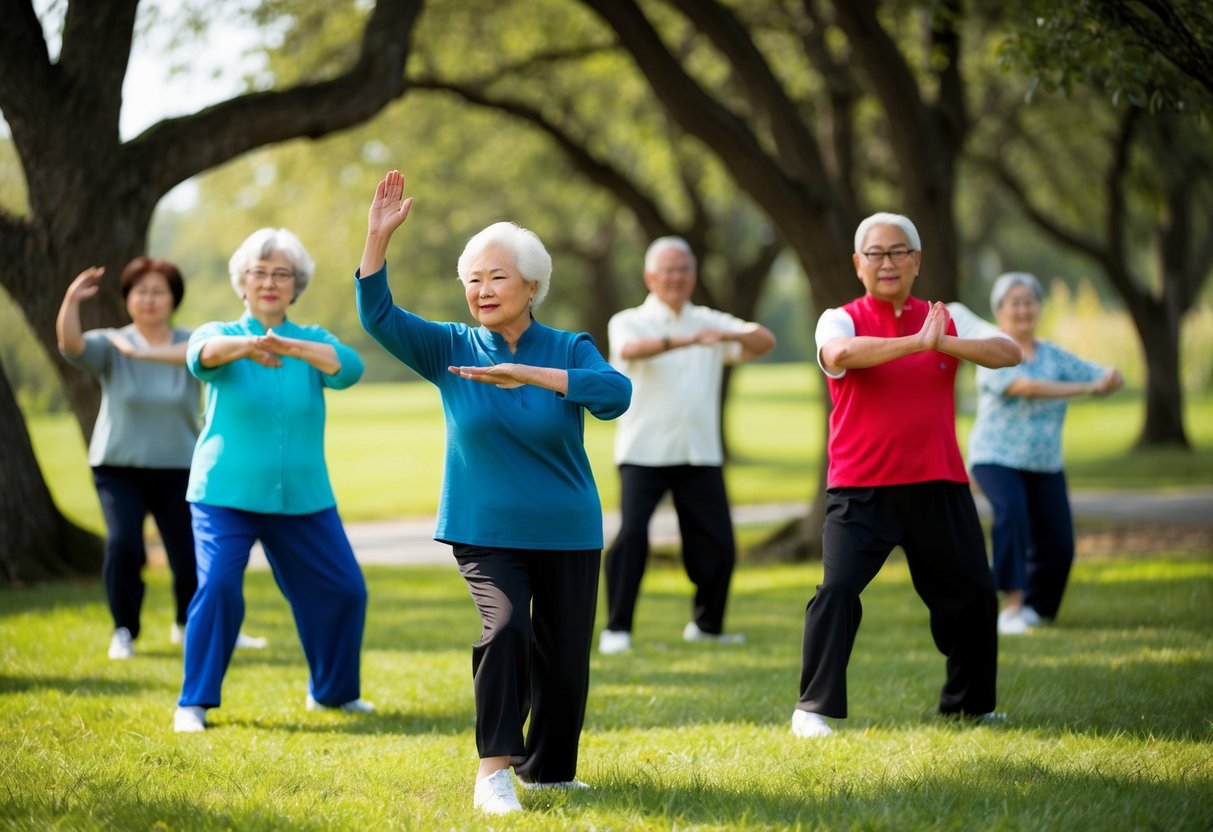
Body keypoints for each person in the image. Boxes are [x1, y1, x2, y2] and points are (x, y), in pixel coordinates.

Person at [355, 170, 631, 815]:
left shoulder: (568, 348)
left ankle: (552, 772)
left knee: (564, 660)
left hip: (567, 527)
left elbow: (615, 394)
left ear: (532, 286)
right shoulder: (449, 347)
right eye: (473, 278)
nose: (482, 289)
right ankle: (494, 772)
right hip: (484, 530)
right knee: (505, 629)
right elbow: (379, 315)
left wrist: (529, 376)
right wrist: (376, 239)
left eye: (497, 276)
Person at [791, 212, 1022, 739]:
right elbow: (841, 355)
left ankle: (969, 705)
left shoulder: (950, 315)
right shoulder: (840, 317)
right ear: (858, 263)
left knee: (973, 594)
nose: (887, 262)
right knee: (839, 589)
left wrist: (940, 340)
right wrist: (920, 342)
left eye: (899, 252)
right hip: (860, 486)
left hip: (938, 481)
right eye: (875, 253)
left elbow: (1008, 352)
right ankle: (812, 708)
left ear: (917, 261)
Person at [173, 228, 370, 733]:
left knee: (345, 590)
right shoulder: (219, 332)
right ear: (242, 282)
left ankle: (332, 693)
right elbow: (202, 356)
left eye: (281, 274)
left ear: (295, 285)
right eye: (258, 273)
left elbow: (349, 369)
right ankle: (193, 703)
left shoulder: (312, 341)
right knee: (218, 587)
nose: (269, 282)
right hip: (225, 494)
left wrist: (295, 348)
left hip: (303, 498)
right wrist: (248, 346)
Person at [600, 237, 776, 655]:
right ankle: (617, 629)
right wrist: (692, 340)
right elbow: (628, 350)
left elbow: (762, 342)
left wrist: (734, 330)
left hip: (700, 451)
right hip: (644, 450)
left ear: (693, 275)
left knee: (717, 544)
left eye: (683, 270)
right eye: (667, 270)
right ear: (650, 277)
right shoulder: (630, 320)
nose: (676, 278)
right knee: (632, 539)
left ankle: (707, 625)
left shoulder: (709, 321)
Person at [56, 258, 200, 660]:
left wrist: (146, 355)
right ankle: (124, 629)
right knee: (123, 546)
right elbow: (72, 346)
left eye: (158, 291)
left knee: (188, 551)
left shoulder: (194, 341)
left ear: (174, 299)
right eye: (141, 291)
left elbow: (212, 357)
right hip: (119, 466)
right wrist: (71, 301)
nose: (149, 299)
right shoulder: (110, 342)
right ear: (128, 299)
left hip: (180, 466)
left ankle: (187, 622)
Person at [968, 272, 1123, 635]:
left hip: (1044, 461)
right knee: (1013, 515)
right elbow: (1026, 387)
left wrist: (1111, 376)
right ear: (1000, 310)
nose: (1023, 310)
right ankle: (1010, 608)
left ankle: (1038, 609)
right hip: (995, 458)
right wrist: (1088, 389)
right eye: (1014, 303)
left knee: (1059, 542)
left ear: (1038, 308)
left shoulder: (1052, 354)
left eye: (1029, 302)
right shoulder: (991, 349)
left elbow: (1096, 372)